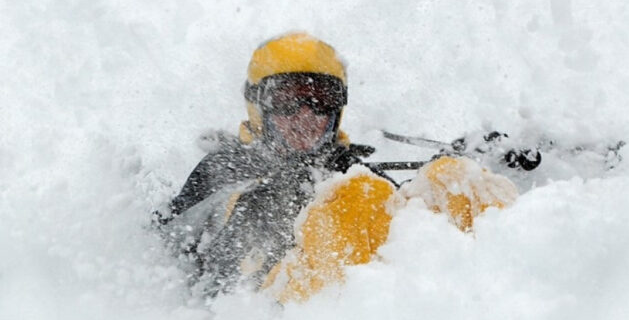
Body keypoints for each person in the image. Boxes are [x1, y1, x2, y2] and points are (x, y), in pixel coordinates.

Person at [159, 32, 518, 302]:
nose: (305, 115)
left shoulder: (351, 172)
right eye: (286, 100)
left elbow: (400, 228)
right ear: (258, 105)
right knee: (360, 195)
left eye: (321, 100)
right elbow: (175, 244)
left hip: (361, 309)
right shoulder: (227, 168)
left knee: (454, 178)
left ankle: (503, 285)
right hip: (259, 316)